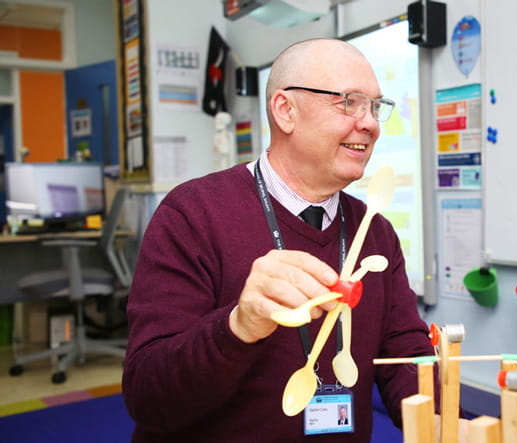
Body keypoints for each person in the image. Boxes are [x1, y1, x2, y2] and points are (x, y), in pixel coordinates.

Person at [122, 38, 436, 442]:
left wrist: (448, 417)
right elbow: (148, 395)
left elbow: (402, 356)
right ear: (285, 111)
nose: (371, 122)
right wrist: (238, 326)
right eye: (350, 103)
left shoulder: (373, 230)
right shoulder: (192, 214)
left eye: (375, 106)